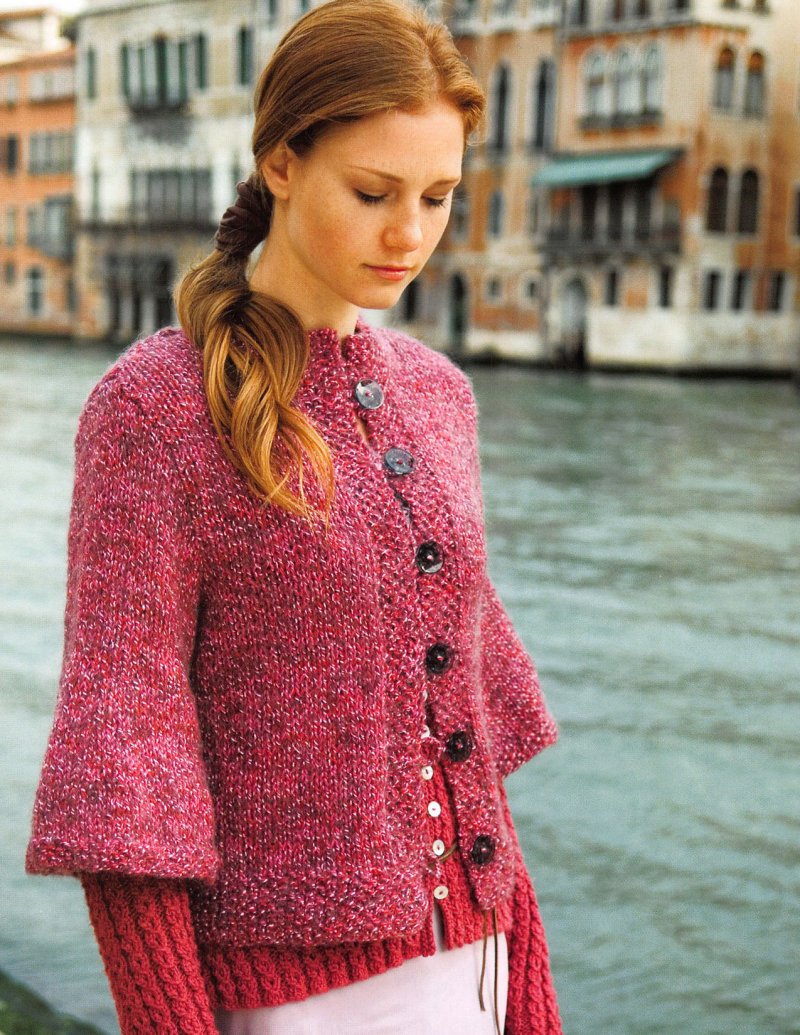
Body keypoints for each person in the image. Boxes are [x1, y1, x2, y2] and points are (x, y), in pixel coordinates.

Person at [25, 1, 562, 1032]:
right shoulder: (155, 410)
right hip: (293, 1006)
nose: (409, 234)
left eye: (438, 196)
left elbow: (468, 752)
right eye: (371, 192)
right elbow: (127, 764)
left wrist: (531, 1004)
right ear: (280, 162)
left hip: (478, 973)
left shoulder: (439, 397)